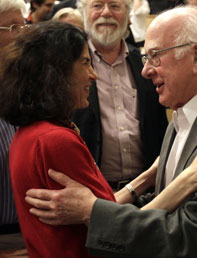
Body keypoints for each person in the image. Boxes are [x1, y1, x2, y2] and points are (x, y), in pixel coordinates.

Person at [25, 6, 197, 258]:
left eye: (155, 56)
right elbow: (162, 205)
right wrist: (100, 208)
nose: (146, 71)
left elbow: (195, 234)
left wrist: (93, 211)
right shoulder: (183, 114)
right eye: (146, 58)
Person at [0, 20, 115, 258]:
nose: (93, 75)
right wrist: (186, 182)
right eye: (85, 63)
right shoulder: (55, 140)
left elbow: (93, 206)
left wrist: (146, 177)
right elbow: (115, 226)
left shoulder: (31, 133)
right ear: (57, 71)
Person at [73, 0, 168, 190]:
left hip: (147, 190)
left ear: (128, 14)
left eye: (115, 6)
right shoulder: (70, 65)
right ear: (84, 13)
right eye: (97, 6)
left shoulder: (145, 63)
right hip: (92, 191)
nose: (106, 13)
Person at [0, 0, 27, 256]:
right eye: (14, 27)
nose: (24, 35)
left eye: (24, 25)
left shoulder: (24, 85)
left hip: (29, 232)